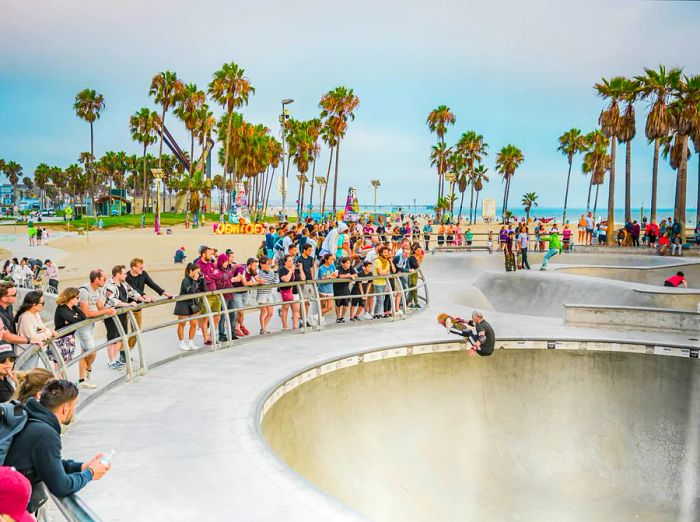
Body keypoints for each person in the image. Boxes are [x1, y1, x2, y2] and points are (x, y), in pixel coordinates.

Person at [4, 380, 110, 513]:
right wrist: (90, 473)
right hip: (9, 509)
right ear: (66, 408)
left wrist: (81, 467)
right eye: (74, 405)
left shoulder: (29, 417)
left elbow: (48, 464)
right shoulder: (45, 434)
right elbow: (61, 486)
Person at [77, 270, 116, 389]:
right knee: (92, 352)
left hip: (91, 325)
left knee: (85, 352)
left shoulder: (98, 290)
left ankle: (82, 379)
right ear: (96, 279)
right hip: (82, 326)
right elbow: (86, 313)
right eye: (103, 278)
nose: (105, 280)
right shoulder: (84, 290)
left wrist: (110, 310)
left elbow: (100, 306)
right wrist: (106, 311)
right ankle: (88, 372)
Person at [125, 258, 173, 354]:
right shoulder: (126, 277)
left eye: (143, 267)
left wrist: (165, 293)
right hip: (125, 307)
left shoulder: (143, 274)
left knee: (136, 330)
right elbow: (134, 290)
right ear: (134, 267)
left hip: (137, 307)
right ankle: (122, 353)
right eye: (140, 267)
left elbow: (152, 284)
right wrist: (146, 296)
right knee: (123, 331)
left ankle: (128, 351)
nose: (142, 269)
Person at [103, 266, 140, 369]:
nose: (126, 275)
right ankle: (111, 361)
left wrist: (143, 298)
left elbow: (133, 293)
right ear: (117, 274)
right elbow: (113, 301)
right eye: (124, 273)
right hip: (112, 316)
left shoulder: (124, 284)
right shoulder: (109, 286)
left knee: (121, 337)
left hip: (123, 315)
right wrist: (128, 305)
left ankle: (115, 359)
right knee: (112, 338)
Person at [14, 292, 55, 371]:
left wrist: (45, 331)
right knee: (28, 379)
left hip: (32, 352)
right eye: (42, 303)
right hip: (26, 354)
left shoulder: (35, 315)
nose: (43, 305)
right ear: (33, 304)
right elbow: (33, 338)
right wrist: (49, 332)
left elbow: (43, 328)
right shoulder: (26, 317)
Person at [173, 263, 204, 351]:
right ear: (191, 271)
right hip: (183, 303)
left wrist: (202, 280)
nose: (198, 273)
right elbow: (191, 291)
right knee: (182, 323)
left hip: (193, 303)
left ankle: (191, 342)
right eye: (197, 272)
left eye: (199, 272)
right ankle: (181, 342)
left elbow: (204, 289)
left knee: (194, 324)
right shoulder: (185, 280)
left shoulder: (197, 279)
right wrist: (194, 280)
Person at [52, 288, 84, 368]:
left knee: (65, 365)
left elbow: (83, 317)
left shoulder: (73, 308)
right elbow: (74, 320)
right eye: (77, 297)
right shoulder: (62, 308)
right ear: (70, 298)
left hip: (69, 339)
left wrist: (75, 316)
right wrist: (75, 317)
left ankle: (60, 380)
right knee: (59, 366)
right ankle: (57, 380)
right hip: (61, 340)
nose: (78, 299)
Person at [278, 254, 303, 329]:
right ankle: (285, 326)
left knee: (296, 310)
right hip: (286, 291)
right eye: (289, 261)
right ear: (285, 262)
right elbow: (286, 279)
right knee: (285, 308)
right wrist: (291, 271)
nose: (291, 262)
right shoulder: (282, 269)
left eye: (292, 261)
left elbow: (303, 278)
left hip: (295, 291)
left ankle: (295, 326)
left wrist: (301, 269)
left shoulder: (296, 269)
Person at [256, 257, 278, 334]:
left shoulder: (270, 272)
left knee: (270, 312)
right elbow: (261, 281)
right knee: (263, 311)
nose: (269, 265)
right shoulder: (259, 272)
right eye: (267, 264)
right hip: (262, 294)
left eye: (269, 264)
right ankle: (263, 329)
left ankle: (263, 328)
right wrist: (269, 272)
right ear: (261, 264)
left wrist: (275, 272)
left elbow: (275, 282)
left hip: (269, 294)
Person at [334, 257, 356, 323]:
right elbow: (339, 276)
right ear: (343, 264)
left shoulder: (350, 267)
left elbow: (355, 274)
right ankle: (338, 318)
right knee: (338, 304)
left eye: (349, 263)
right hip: (337, 289)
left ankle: (342, 317)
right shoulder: (338, 268)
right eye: (347, 263)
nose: (349, 265)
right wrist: (349, 275)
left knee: (346, 304)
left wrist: (350, 275)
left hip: (346, 288)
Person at [372, 246, 393, 319]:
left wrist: (384, 272)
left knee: (382, 299)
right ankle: (376, 314)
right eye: (384, 252)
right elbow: (380, 272)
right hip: (377, 283)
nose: (386, 254)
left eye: (387, 252)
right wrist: (385, 272)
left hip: (384, 282)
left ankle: (378, 313)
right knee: (380, 299)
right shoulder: (377, 260)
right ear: (381, 253)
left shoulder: (387, 261)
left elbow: (388, 272)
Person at [316, 254, 337, 322]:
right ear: (326, 260)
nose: (332, 261)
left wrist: (329, 276)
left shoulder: (332, 265)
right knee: (323, 305)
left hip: (330, 288)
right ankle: (321, 318)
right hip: (322, 289)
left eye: (332, 259)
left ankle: (317, 315)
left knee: (330, 306)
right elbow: (322, 278)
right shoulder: (321, 268)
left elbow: (335, 275)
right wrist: (330, 276)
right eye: (330, 259)